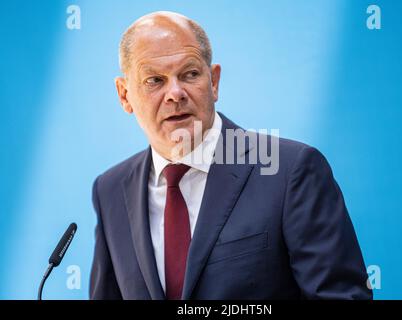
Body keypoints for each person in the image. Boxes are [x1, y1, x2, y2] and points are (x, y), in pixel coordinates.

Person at [89, 11, 372, 300]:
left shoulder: (289, 170)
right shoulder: (110, 189)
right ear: (124, 95)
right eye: (155, 80)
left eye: (190, 74)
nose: (175, 93)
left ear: (213, 82)